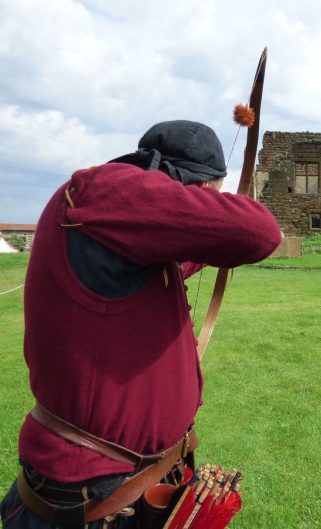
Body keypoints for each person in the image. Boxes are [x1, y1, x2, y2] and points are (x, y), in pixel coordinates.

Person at [0, 120, 281, 528]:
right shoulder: (105, 191)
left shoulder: (122, 233)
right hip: (95, 496)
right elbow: (260, 232)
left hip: (131, 483)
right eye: (215, 194)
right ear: (201, 189)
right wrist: (219, 209)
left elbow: (182, 258)